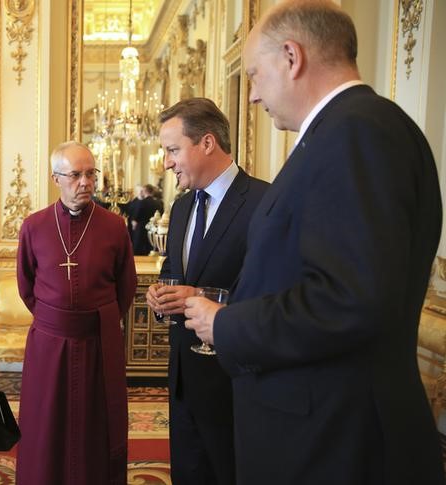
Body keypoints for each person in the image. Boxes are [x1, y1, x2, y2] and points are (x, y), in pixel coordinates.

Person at [183, 2, 444, 484]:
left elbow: (349, 298)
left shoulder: (358, 133)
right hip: (322, 427)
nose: (254, 95)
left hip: (337, 440)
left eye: (256, 75)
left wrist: (228, 322)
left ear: (291, 56)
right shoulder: (345, 131)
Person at [146, 98, 268, 485]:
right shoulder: (180, 209)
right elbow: (172, 273)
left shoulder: (264, 203)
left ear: (207, 143)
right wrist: (160, 298)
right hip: (184, 376)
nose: (166, 162)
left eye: (172, 150)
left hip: (234, 380)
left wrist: (203, 296)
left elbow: (273, 293)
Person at [15, 141, 137, 485]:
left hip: (99, 341)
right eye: (75, 175)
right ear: (56, 178)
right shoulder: (34, 226)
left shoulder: (114, 226)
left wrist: (94, 319)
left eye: (90, 174)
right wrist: (57, 321)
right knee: (47, 423)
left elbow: (125, 286)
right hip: (49, 344)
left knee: (96, 424)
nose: (85, 182)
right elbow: (26, 286)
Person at [129, 184, 162, 255]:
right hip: (154, 228)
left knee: (139, 249)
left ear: (144, 191)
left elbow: (136, 215)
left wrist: (134, 223)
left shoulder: (142, 202)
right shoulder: (158, 203)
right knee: (151, 247)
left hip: (141, 228)